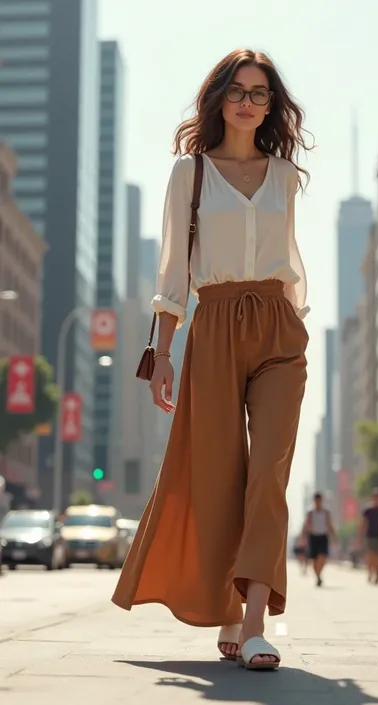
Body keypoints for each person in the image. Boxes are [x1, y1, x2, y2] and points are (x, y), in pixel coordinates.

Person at [111, 48, 312, 671]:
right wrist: (161, 352)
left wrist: (293, 324)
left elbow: (290, 259)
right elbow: (173, 272)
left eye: (260, 93)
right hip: (215, 326)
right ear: (219, 98)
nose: (249, 102)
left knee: (269, 474)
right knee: (222, 475)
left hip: (278, 329)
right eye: (238, 91)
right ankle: (227, 604)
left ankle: (253, 622)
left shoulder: (284, 175)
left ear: (271, 105)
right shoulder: (189, 173)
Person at [303, 492, 336, 587]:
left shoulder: (326, 512)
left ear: (321, 501)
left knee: (322, 557)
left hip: (323, 536)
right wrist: (303, 537)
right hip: (313, 537)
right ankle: (318, 576)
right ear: (314, 501)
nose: (318, 502)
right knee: (314, 560)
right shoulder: (310, 512)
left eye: (319, 500)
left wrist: (334, 537)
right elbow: (306, 525)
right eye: (316, 500)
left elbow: (330, 525)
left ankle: (319, 574)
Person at [359, 488, 378, 584]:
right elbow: (363, 523)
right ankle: (370, 573)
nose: (377, 499)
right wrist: (360, 536)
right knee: (371, 555)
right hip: (370, 535)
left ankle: (377, 574)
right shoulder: (368, 510)